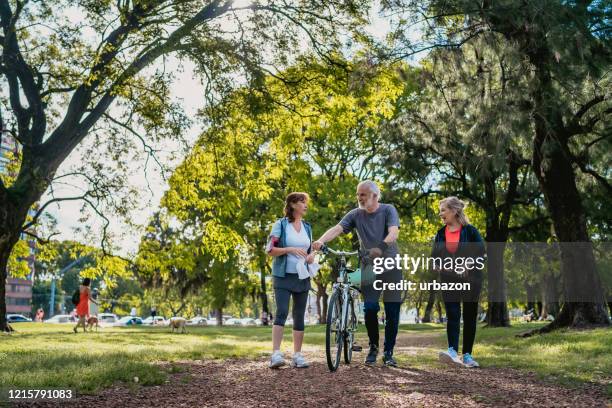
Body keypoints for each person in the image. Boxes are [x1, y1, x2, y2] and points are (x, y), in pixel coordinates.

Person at [313, 180, 402, 367]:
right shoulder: (355, 214)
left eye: (363, 194)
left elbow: (393, 233)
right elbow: (338, 229)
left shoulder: (388, 210)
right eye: (358, 194)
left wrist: (381, 247)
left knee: (392, 311)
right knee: (370, 308)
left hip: (391, 266)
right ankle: (373, 347)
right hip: (369, 267)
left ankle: (388, 352)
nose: (359, 198)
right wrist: (320, 242)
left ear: (375, 196)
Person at [432, 196, 485, 368]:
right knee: (453, 314)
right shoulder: (440, 234)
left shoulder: (470, 231)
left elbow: (481, 251)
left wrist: (467, 264)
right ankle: (453, 352)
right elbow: (434, 259)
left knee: (469, 315)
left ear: (454, 211)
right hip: (448, 280)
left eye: (443, 210)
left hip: (471, 279)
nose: (441, 214)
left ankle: (468, 355)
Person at [266, 192, 315, 369]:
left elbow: (310, 250)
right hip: (283, 276)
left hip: (302, 276)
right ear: (293, 205)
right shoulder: (280, 225)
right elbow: (270, 249)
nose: (305, 205)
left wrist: (311, 257)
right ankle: (276, 354)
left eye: (305, 202)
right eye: (302, 202)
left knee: (299, 315)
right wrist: (289, 249)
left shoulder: (307, 227)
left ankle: (297, 355)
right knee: (282, 311)